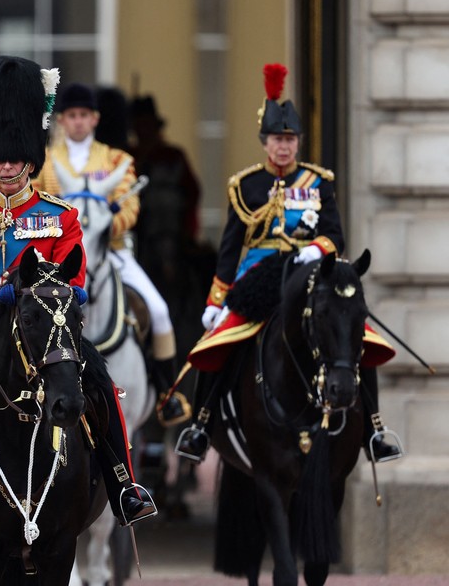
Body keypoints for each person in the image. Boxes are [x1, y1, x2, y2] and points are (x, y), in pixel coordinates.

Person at [0, 57, 156, 554]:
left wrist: (44, 297)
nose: (6, 167)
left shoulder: (59, 216)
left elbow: (76, 280)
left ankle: (123, 485)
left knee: (101, 388)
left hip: (46, 321)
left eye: (15, 159)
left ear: (30, 159)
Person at [175, 63, 403, 464]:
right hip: (259, 278)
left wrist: (318, 249)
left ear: (298, 142)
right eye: (278, 139)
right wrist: (216, 301)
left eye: (291, 139)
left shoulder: (318, 182)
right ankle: (202, 426)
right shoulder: (246, 186)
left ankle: (375, 430)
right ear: (265, 142)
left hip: (311, 274)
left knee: (357, 336)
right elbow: (230, 250)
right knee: (218, 342)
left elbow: (336, 234)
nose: (284, 146)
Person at [35, 83, 190, 426]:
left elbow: (131, 205)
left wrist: (104, 226)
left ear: (95, 119)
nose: (78, 122)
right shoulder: (45, 162)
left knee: (160, 311)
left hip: (112, 251)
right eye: (72, 116)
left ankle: (167, 393)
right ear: (62, 119)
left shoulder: (117, 159)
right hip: (61, 256)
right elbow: (38, 206)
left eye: (84, 116)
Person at [129, 95, 202, 283]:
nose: (144, 131)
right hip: (139, 233)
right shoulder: (127, 157)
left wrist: (189, 232)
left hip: (173, 232)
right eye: (139, 126)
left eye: (147, 125)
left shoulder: (174, 156)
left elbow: (192, 194)